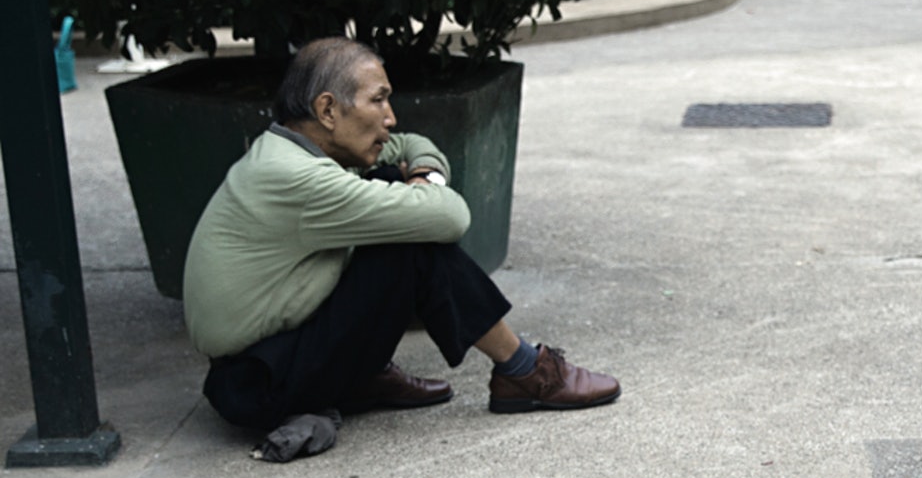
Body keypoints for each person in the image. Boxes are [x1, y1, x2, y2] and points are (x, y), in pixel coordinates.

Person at [182, 38, 619, 441]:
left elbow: (410, 144)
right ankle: (525, 371)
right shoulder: (294, 178)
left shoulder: (296, 147)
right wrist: (427, 188)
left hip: (274, 360)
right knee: (412, 240)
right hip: (258, 383)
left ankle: (363, 375)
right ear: (328, 110)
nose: (390, 117)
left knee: (393, 183)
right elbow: (450, 216)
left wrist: (420, 174)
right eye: (378, 100)